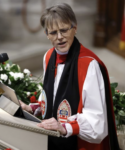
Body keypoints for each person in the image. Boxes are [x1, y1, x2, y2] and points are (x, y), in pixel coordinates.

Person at [20, 3, 120, 150]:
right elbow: (52, 97)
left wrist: (65, 127)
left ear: (75, 28)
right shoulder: (48, 57)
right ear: (46, 34)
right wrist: (33, 108)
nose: (60, 37)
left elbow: (97, 123)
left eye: (64, 30)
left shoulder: (89, 65)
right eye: (53, 32)